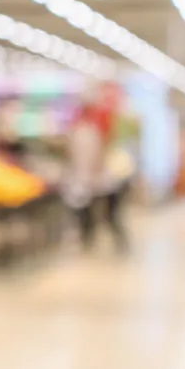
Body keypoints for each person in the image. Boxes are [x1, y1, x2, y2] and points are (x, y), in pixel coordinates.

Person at [64, 87, 129, 253]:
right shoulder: (81, 129)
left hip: (98, 180)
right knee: (87, 215)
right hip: (87, 180)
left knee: (109, 214)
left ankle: (115, 242)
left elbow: (97, 156)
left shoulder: (93, 128)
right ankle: (88, 242)